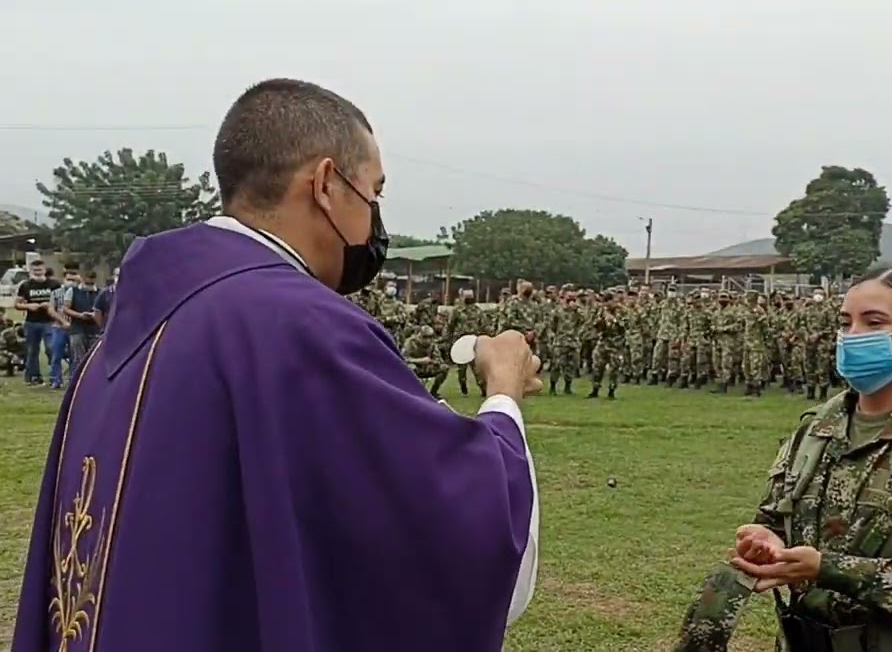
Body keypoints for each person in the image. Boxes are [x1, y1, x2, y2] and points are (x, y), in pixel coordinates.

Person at [13, 78, 542, 652]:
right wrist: (503, 393)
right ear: (325, 184)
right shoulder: (296, 326)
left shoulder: (140, 321)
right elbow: (448, 531)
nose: (375, 221)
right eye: (374, 194)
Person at [674, 266, 892, 652]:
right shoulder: (820, 426)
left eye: (873, 322)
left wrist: (826, 568)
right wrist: (768, 538)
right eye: (845, 322)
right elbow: (778, 515)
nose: (852, 336)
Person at [14, 259, 61, 387]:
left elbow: (62, 302)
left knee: (51, 348)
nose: (38, 272)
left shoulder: (54, 284)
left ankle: (55, 377)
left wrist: (51, 305)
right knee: (31, 350)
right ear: (31, 271)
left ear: (44, 270)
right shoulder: (26, 285)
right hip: (31, 322)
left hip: (50, 321)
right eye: (35, 270)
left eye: (40, 270)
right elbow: (17, 304)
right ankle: (33, 377)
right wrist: (28, 306)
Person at [64, 269, 102, 373]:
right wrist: (80, 315)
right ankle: (76, 381)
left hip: (95, 329)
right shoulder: (72, 291)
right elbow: (66, 308)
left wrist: (95, 316)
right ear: (83, 278)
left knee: (94, 358)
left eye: (92, 282)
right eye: (87, 282)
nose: (89, 285)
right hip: (77, 329)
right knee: (78, 358)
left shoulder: (100, 292)